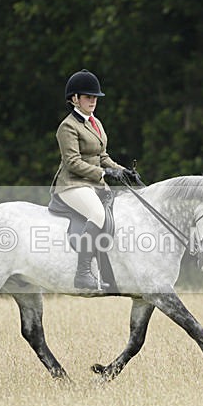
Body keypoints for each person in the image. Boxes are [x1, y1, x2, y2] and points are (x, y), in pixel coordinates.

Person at [50, 69, 136, 290]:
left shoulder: (95, 122)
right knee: (97, 213)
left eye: (95, 97)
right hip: (72, 184)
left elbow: (103, 156)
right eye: (88, 96)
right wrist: (105, 174)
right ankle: (83, 272)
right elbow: (73, 162)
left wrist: (123, 171)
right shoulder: (67, 127)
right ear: (74, 99)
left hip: (94, 184)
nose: (93, 101)